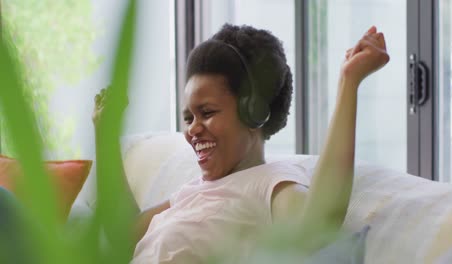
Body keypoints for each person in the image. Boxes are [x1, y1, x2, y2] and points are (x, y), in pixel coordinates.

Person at [93, 23, 389, 263]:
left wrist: (348, 83)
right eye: (188, 117)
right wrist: (104, 136)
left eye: (206, 113)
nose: (192, 130)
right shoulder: (194, 192)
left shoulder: (270, 184)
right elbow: (123, 235)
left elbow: (320, 220)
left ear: (254, 112)